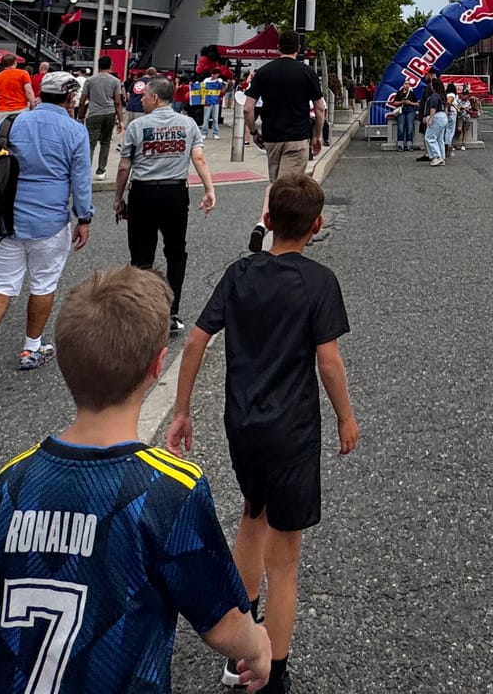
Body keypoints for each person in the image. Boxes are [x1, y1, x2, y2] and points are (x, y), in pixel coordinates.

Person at [0, 268, 272, 692]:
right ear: (157, 365)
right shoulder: (170, 489)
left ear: (64, 364)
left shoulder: (11, 482)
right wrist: (256, 646)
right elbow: (221, 623)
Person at [168, 176, 357, 694]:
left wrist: (182, 409)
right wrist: (345, 416)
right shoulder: (318, 281)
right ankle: (272, 671)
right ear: (316, 226)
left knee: (252, 520)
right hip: (291, 430)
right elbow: (328, 360)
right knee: (286, 559)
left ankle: (237, 651)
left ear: (267, 219)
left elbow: (197, 341)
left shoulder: (239, 273)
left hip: (242, 425)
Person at [0, 71, 93, 386]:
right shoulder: (74, 130)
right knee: (43, 284)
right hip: (50, 221)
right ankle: (31, 348)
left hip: (6, 219)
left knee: (0, 283)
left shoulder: (12, 123)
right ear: (70, 97)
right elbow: (81, 181)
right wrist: (84, 217)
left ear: (41, 94)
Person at [115, 78, 217, 333]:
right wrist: (209, 189)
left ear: (156, 98)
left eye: (146, 96)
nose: (142, 100)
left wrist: (118, 197)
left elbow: (125, 165)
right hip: (174, 193)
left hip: (143, 192)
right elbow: (199, 158)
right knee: (175, 252)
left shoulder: (137, 126)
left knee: (141, 256)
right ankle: (172, 311)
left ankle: (142, 311)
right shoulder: (188, 124)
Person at [243, 32, 323, 253]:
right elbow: (320, 107)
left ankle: (269, 227)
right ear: (298, 48)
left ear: (278, 47)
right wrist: (317, 135)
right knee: (288, 187)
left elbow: (248, 107)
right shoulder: (307, 72)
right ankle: (272, 227)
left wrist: (253, 131)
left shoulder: (264, 72)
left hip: (272, 136)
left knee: (275, 181)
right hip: (297, 136)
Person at [80, 54, 125, 176]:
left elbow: (82, 100)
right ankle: (101, 171)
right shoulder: (116, 81)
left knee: (90, 143)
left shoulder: (90, 80)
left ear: (98, 65)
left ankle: (85, 170)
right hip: (109, 113)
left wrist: (80, 116)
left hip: (94, 113)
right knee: (105, 143)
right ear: (111, 66)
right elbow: (117, 102)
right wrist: (120, 120)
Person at [0, 52, 35, 133]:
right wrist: (33, 105)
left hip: (2, 111)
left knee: (2, 135)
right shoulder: (23, 74)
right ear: (15, 62)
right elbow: (29, 92)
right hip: (20, 110)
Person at [418, 73, 448, 166]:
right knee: (439, 139)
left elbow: (433, 108)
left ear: (434, 86)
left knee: (429, 137)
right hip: (443, 117)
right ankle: (442, 157)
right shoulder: (442, 96)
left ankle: (437, 156)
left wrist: (430, 119)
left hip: (437, 116)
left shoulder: (434, 95)